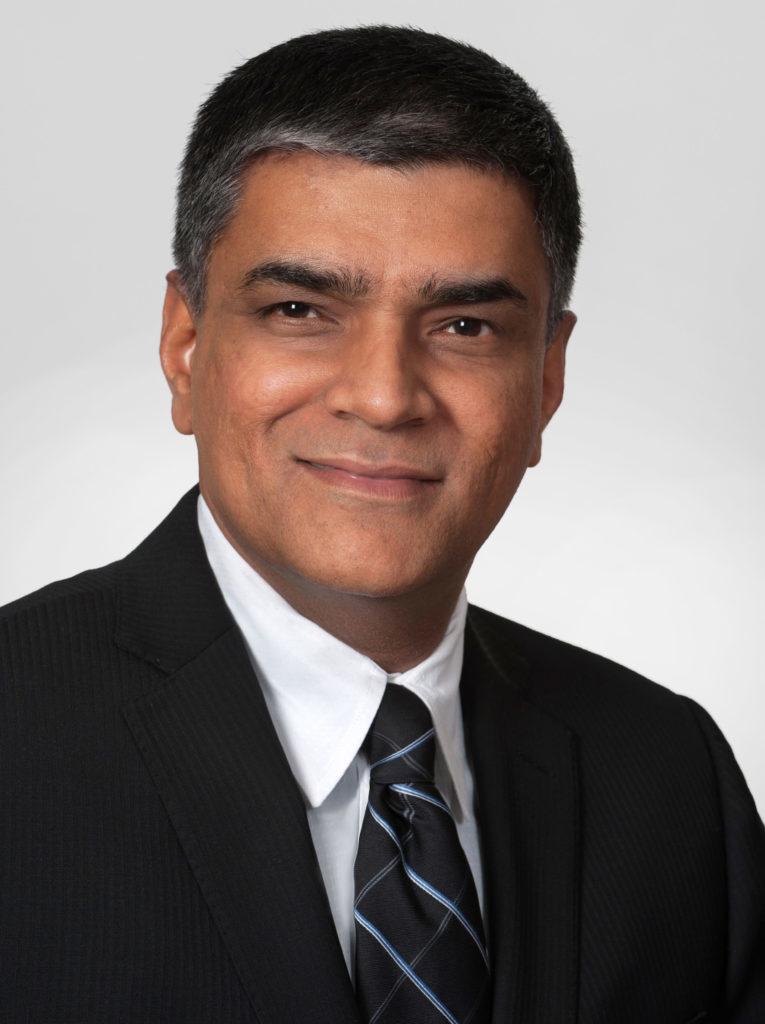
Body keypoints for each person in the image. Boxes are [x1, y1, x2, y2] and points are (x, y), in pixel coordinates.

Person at [1, 23, 763, 1024]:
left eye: (464, 326)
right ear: (185, 346)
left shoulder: (667, 775)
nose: (384, 396)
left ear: (546, 378)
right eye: (299, 310)